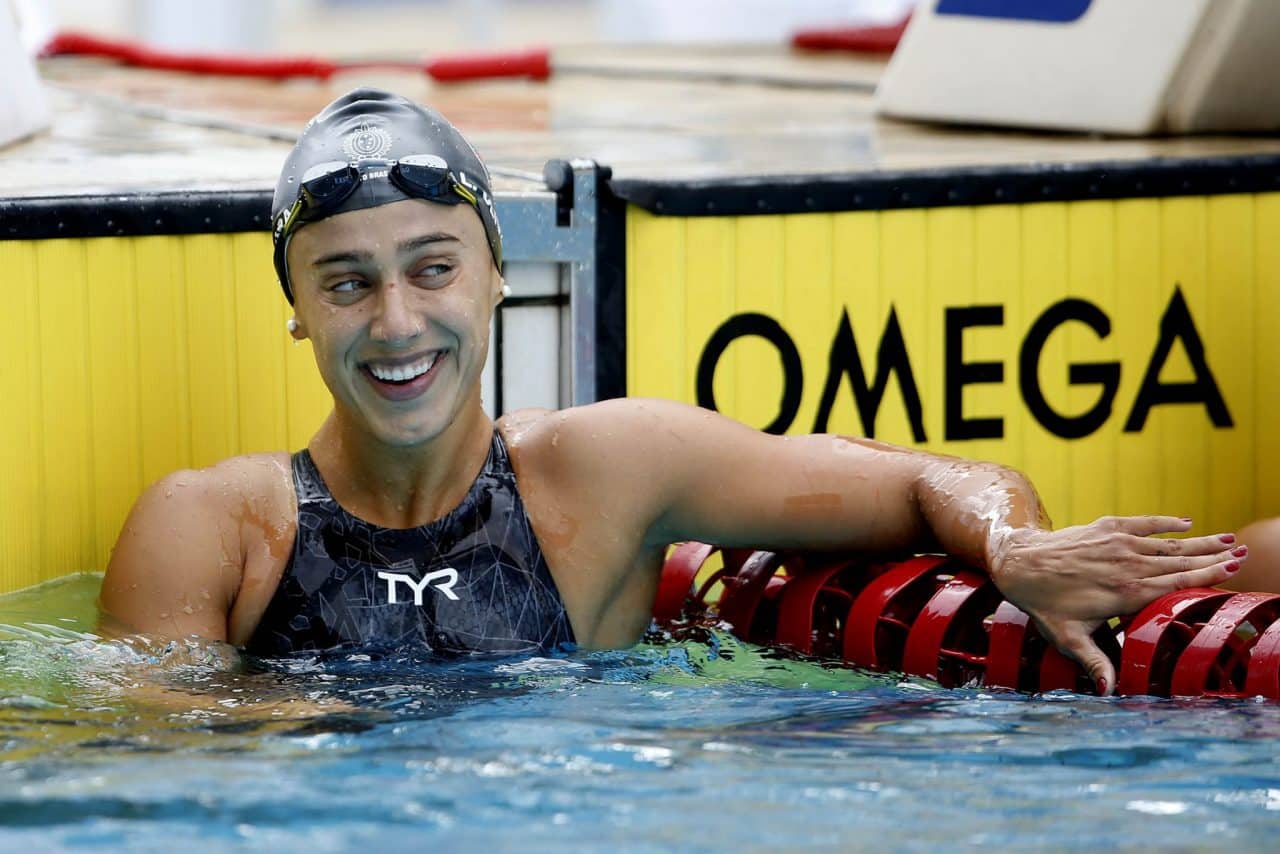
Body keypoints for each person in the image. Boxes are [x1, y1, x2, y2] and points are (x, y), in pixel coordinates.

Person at [99, 88, 1247, 697]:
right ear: (296, 303)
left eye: (432, 267)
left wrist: (1012, 548)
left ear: (499, 271)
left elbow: (941, 477)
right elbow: (162, 791)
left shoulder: (606, 471)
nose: (397, 322)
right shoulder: (215, 529)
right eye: (346, 282)